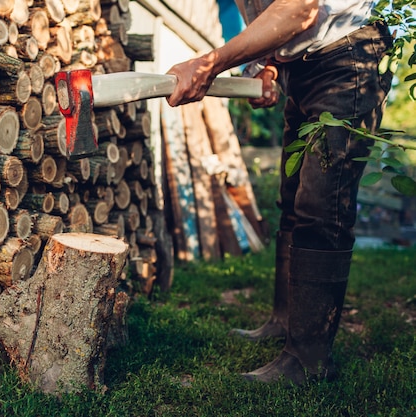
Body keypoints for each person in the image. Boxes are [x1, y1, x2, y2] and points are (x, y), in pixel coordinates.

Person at [166, 0, 393, 385]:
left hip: (346, 58)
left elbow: (300, 9)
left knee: (322, 209)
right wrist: (269, 65)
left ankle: (308, 360)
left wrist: (209, 63)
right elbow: (274, 17)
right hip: (305, 66)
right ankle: (285, 322)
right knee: (293, 202)